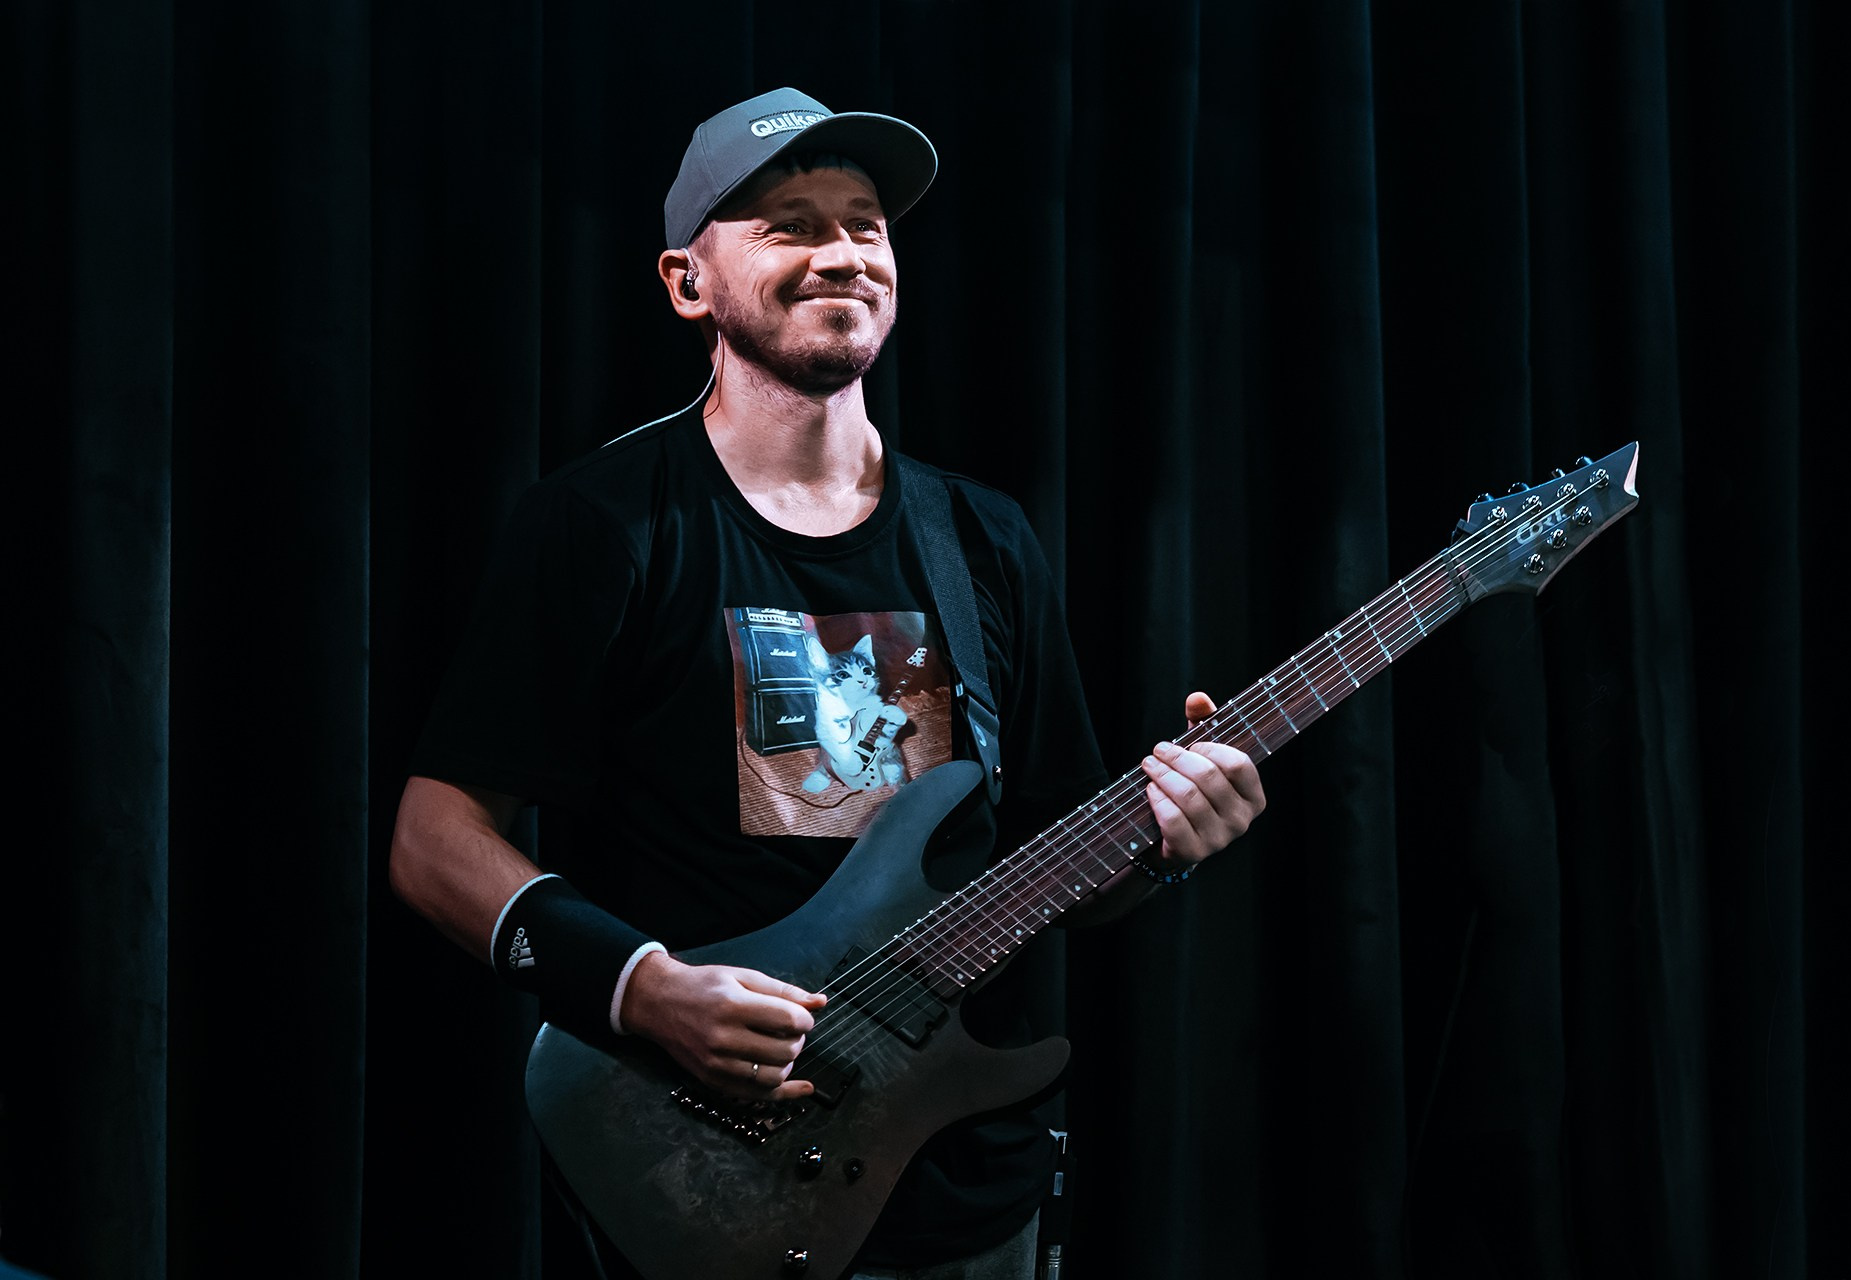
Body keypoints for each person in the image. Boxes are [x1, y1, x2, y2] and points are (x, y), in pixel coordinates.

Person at [388, 87, 1266, 1279]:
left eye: (864, 224)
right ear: (688, 282)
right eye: (789, 224)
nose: (842, 252)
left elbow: (1057, 857)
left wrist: (1162, 841)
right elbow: (434, 838)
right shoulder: (603, 525)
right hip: (707, 1169)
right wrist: (645, 989)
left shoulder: (983, 538)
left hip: (968, 1191)